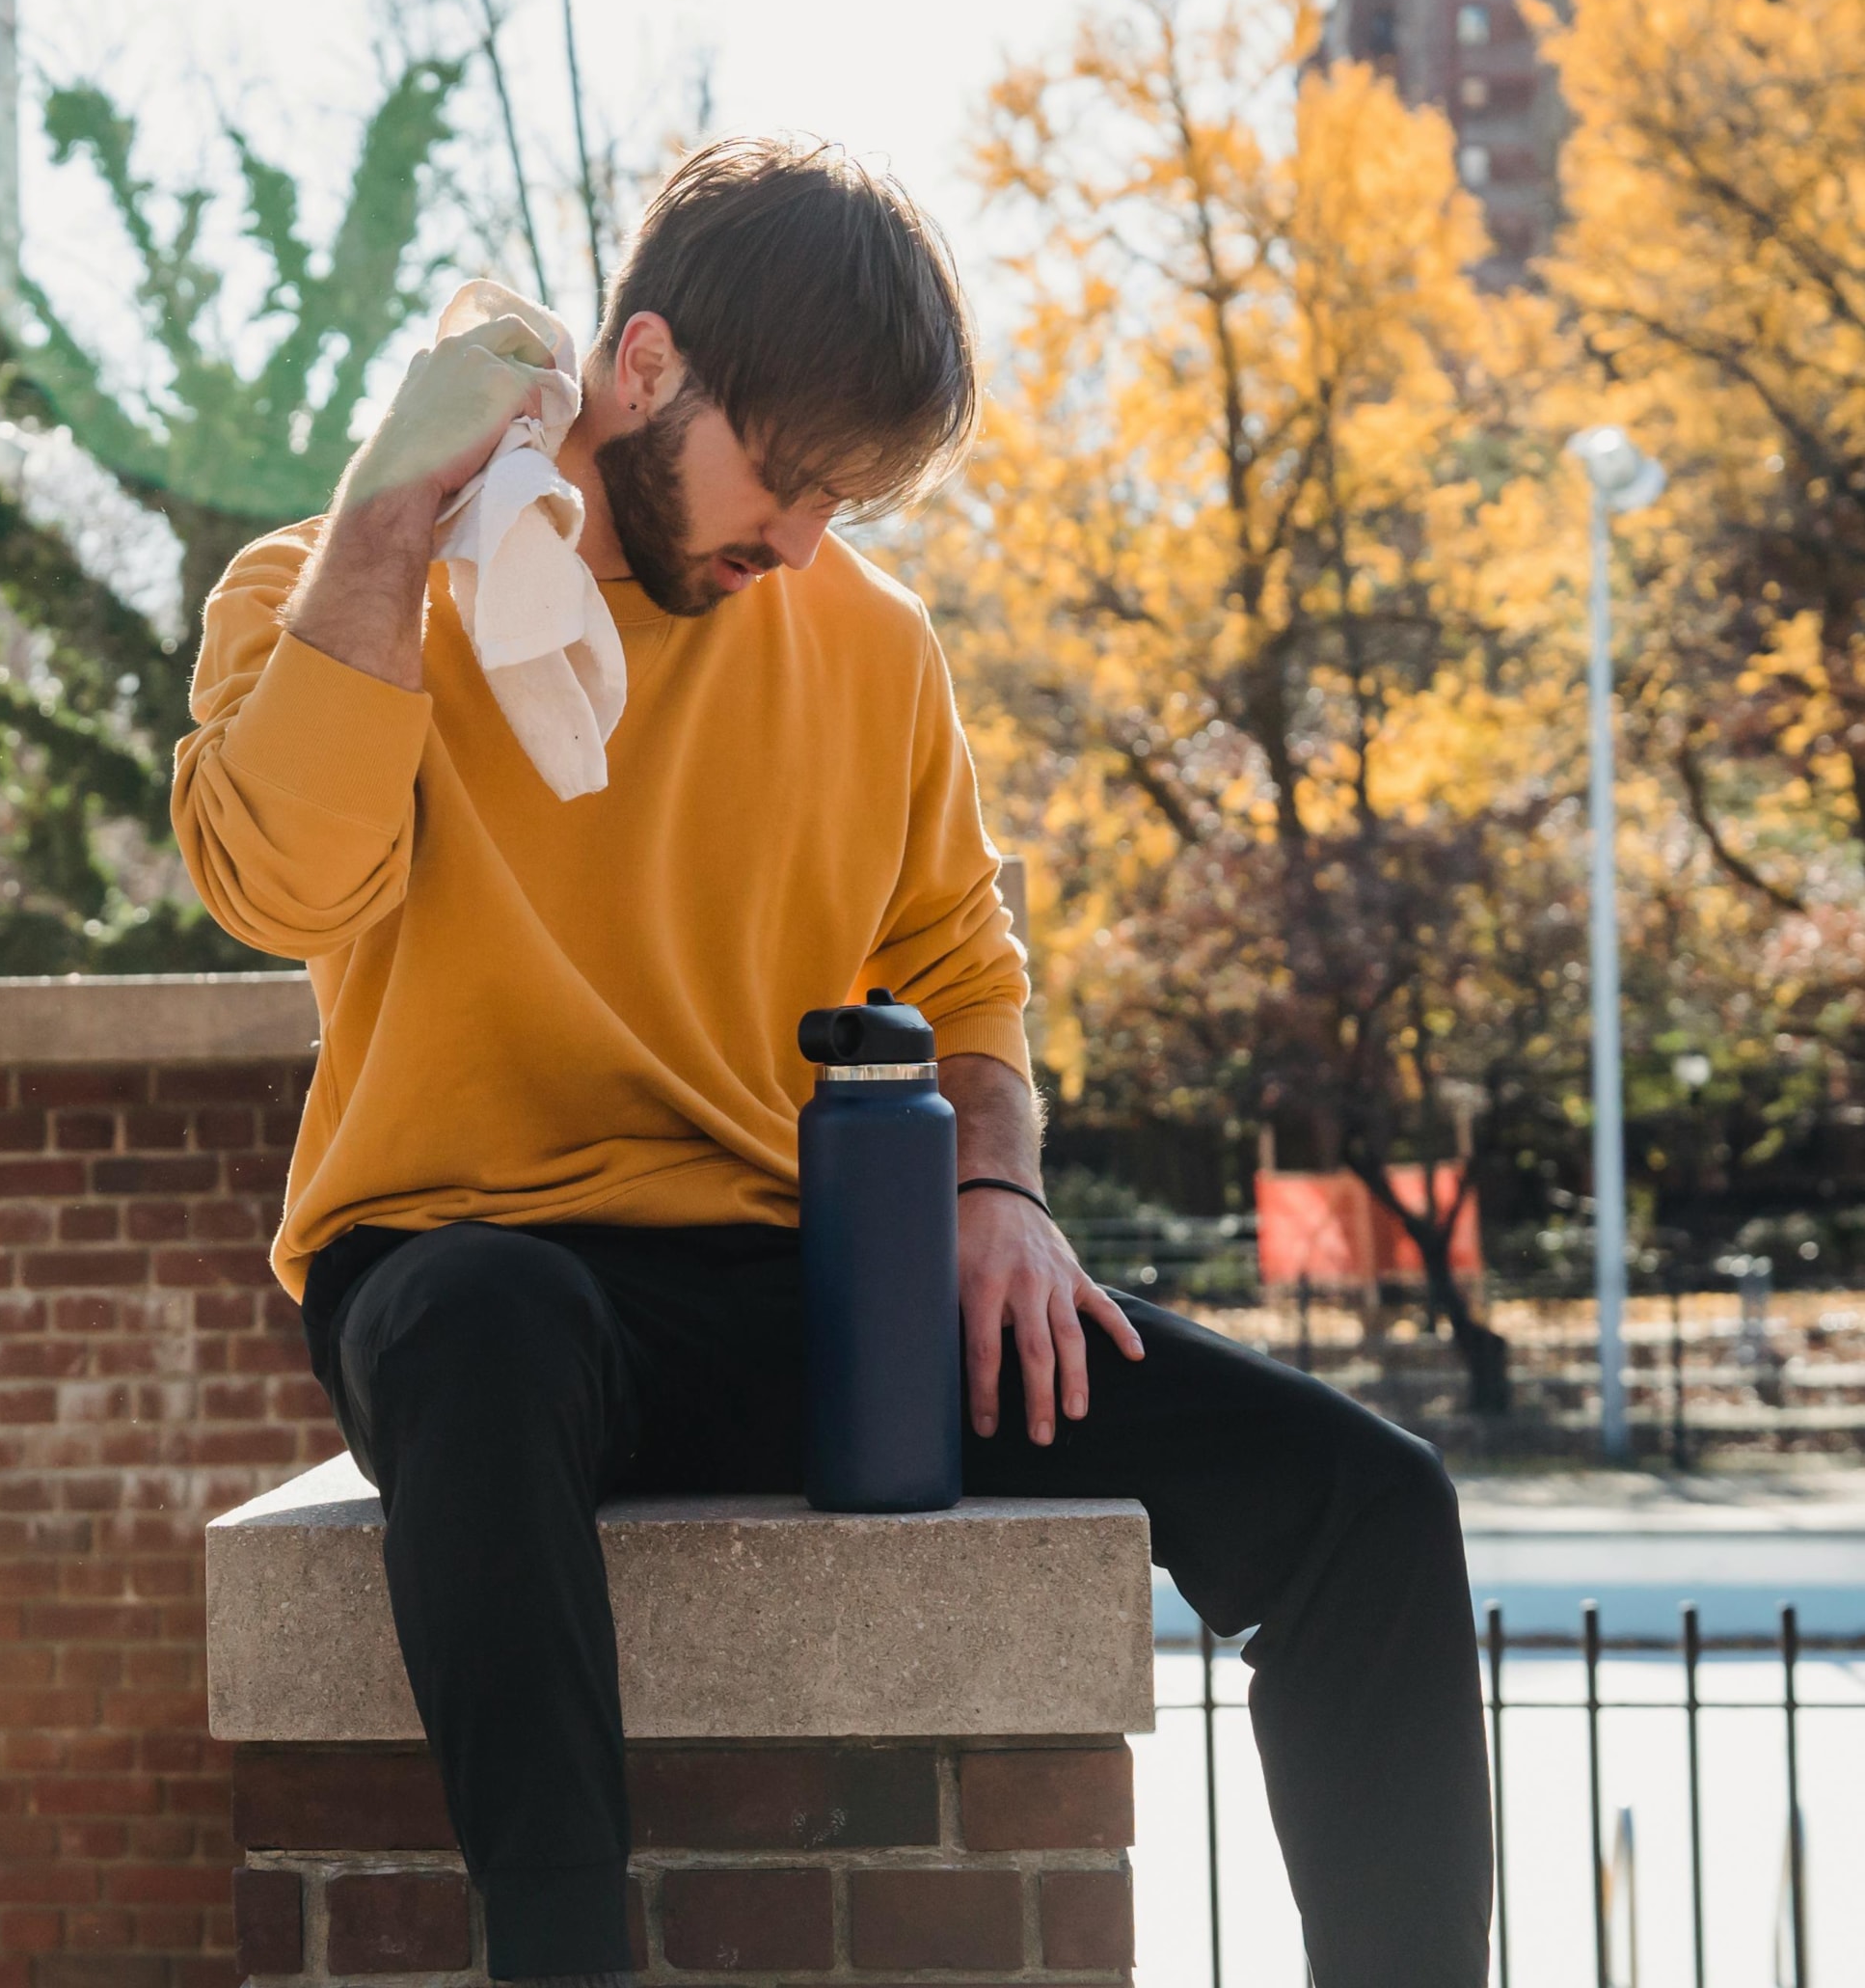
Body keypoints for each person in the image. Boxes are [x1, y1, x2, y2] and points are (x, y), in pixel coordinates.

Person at [168, 135, 1490, 1988]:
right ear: (645, 370)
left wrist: (996, 1189)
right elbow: (275, 882)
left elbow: (963, 971)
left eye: (839, 502)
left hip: (797, 1291)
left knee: (1369, 1503)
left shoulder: (867, 642)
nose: (797, 539)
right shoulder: (345, 591)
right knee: (483, 1316)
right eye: (784, 479)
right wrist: (389, 523)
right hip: (468, 1282)